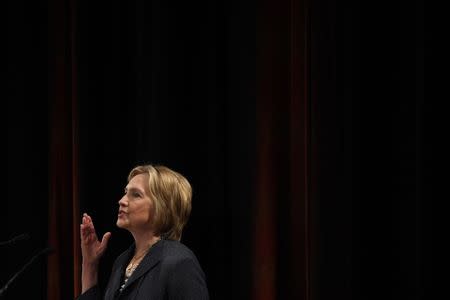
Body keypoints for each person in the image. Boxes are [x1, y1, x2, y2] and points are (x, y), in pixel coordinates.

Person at [77, 164, 209, 300]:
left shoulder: (179, 262)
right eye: (125, 192)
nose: (121, 201)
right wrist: (90, 263)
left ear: (162, 207)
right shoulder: (122, 261)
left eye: (136, 195)